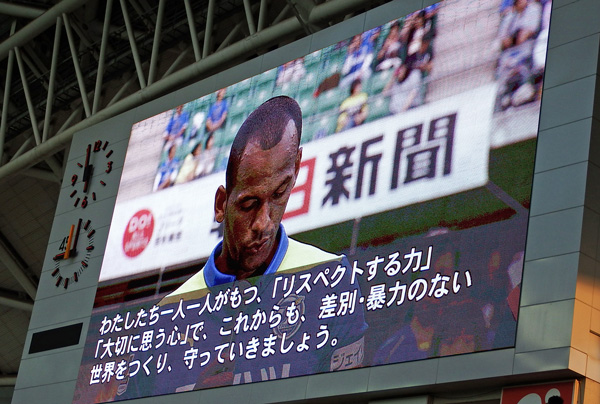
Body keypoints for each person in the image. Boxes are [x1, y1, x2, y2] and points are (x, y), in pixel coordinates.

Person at [153, 96, 367, 392]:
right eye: (249, 204)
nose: (263, 223)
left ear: (296, 168)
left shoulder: (331, 278)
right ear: (221, 204)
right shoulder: (165, 317)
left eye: (280, 193)